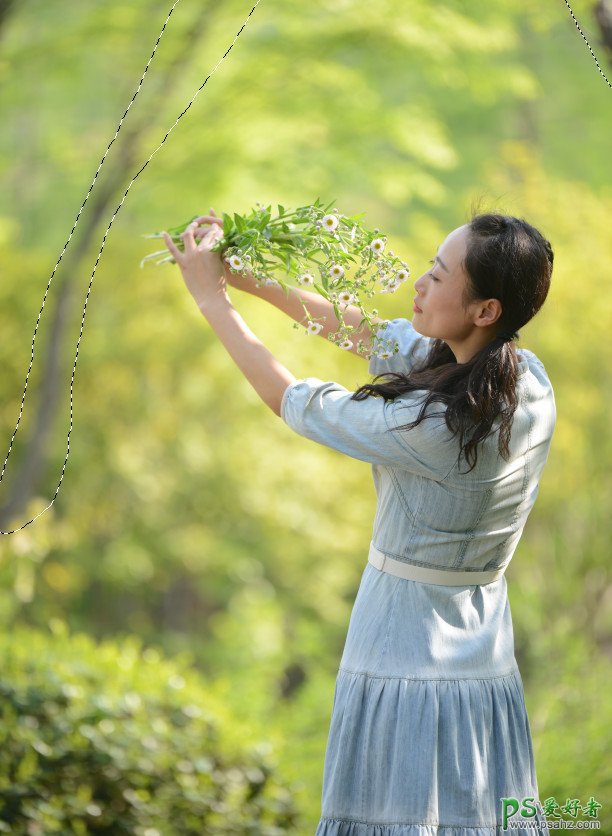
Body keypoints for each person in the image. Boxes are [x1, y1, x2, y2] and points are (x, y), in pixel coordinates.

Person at [162, 208, 555, 836]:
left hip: (406, 645)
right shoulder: (527, 384)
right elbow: (372, 335)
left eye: (438, 275)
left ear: (485, 309)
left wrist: (211, 299)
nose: (419, 285)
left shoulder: (438, 429)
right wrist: (246, 278)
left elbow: (294, 401)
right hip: (481, 650)